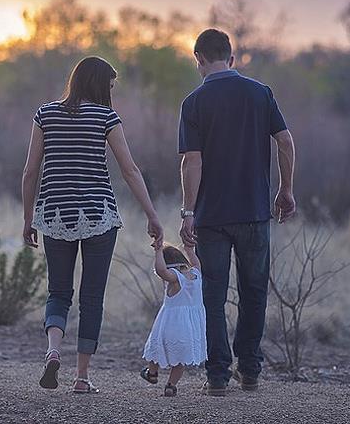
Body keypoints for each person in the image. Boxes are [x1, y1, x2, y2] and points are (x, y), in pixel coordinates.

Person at [21, 56, 163, 394]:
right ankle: (82, 377)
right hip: (99, 215)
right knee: (92, 297)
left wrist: (29, 218)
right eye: (110, 86)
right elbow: (130, 171)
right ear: (100, 85)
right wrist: (152, 215)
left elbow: (30, 172)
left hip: (54, 215)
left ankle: (53, 351)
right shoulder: (106, 117)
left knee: (58, 292)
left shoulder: (45, 114)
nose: (111, 93)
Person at [177, 28, 296, 396]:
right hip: (254, 212)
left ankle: (217, 376)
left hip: (211, 217)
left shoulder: (193, 102)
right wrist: (286, 189)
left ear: (198, 61)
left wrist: (188, 211)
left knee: (213, 296)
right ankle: (250, 370)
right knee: (254, 291)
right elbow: (285, 141)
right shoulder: (260, 93)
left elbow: (191, 163)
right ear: (231, 58)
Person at [140, 243, 207, 397]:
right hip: (190, 328)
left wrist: (158, 252)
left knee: (156, 348)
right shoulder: (196, 273)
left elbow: (161, 270)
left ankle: (152, 373)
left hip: (170, 325)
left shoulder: (175, 278)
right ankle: (171, 385)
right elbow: (196, 262)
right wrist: (189, 249)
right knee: (180, 359)